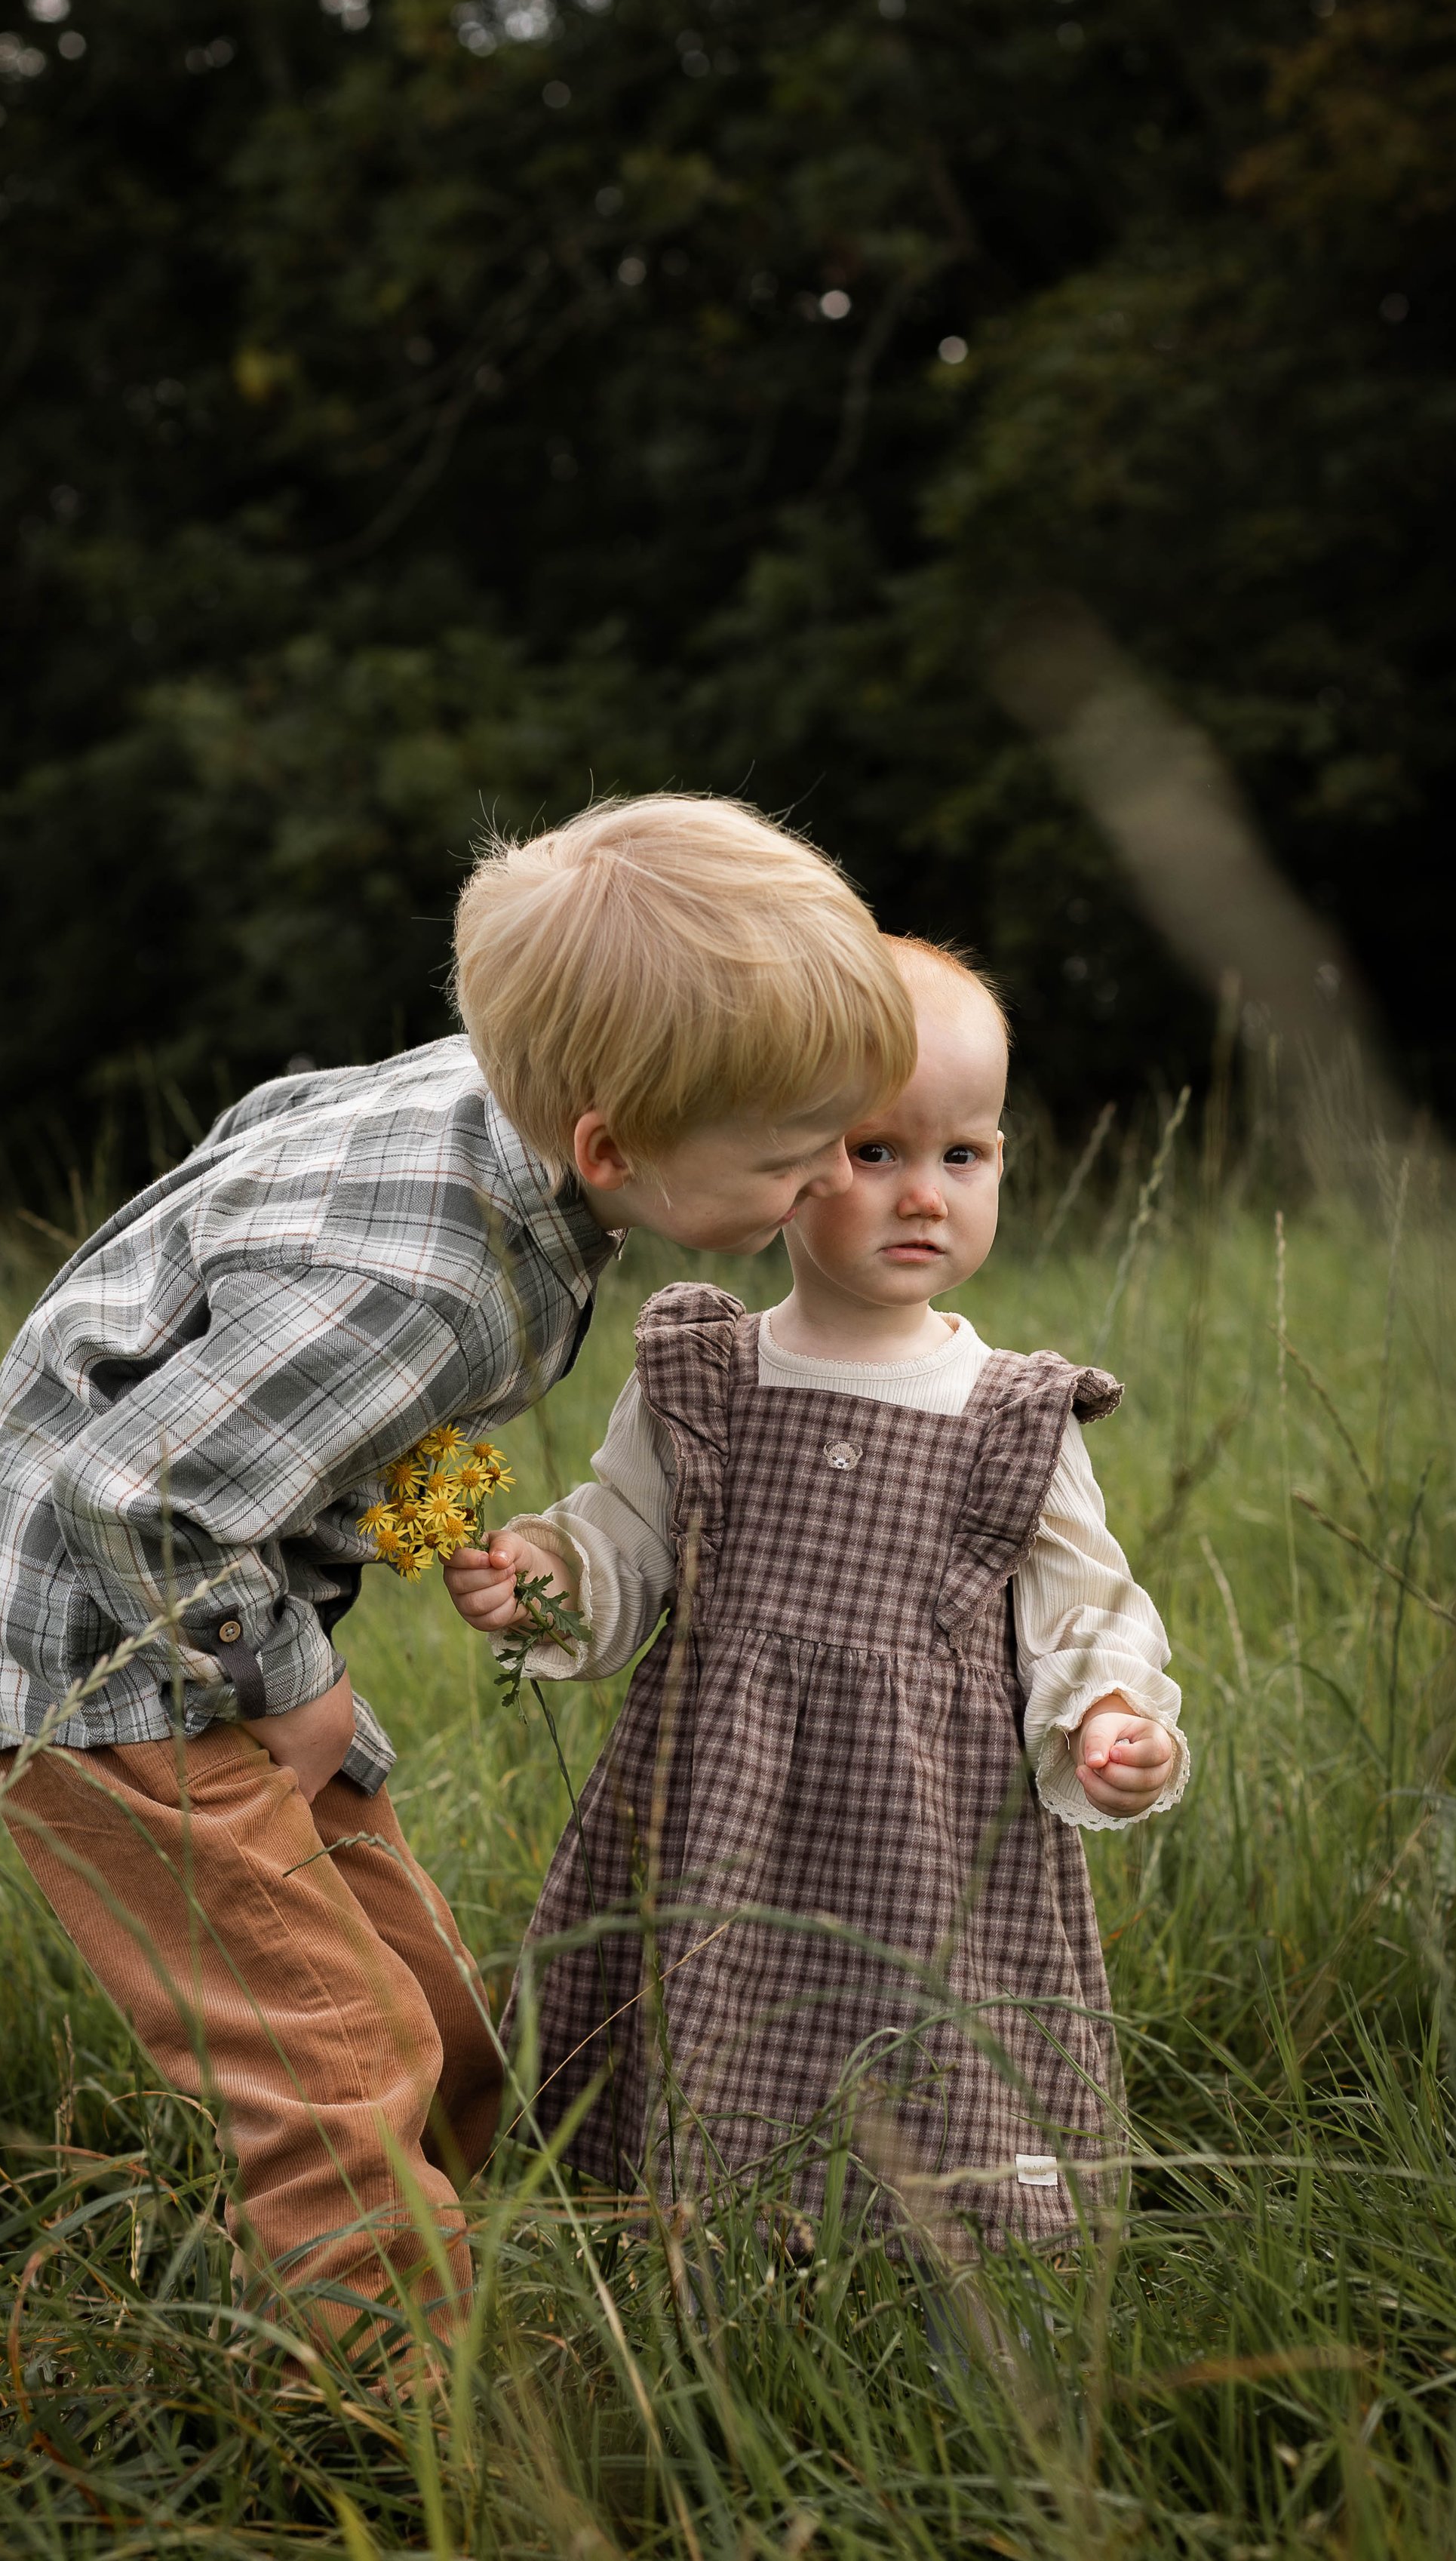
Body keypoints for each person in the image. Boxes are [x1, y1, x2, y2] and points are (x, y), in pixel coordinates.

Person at [0, 796, 917, 2363]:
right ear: (612, 1146)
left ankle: (429, 2290)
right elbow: (135, 1487)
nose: (824, 1190)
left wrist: (370, 1476)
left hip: (210, 1601)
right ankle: (408, 2420)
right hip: (105, 1654)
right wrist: (291, 1682)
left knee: (441, 2016)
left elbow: (255, 1170)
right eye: (792, 1161)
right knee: (336, 2055)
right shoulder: (422, 1278)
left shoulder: (504, 1108)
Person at [444, 939, 1188, 2247]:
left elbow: (1084, 1601)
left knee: (933, 2025)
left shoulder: (1014, 1412)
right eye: (873, 1152)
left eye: (963, 1156)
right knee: (712, 2018)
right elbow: (625, 1533)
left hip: (938, 1824)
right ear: (783, 1164)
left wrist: (1113, 1711)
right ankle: (703, 2243)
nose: (923, 1196)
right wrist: (550, 1577)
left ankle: (938, 2252)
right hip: (718, 1800)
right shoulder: (708, 1375)